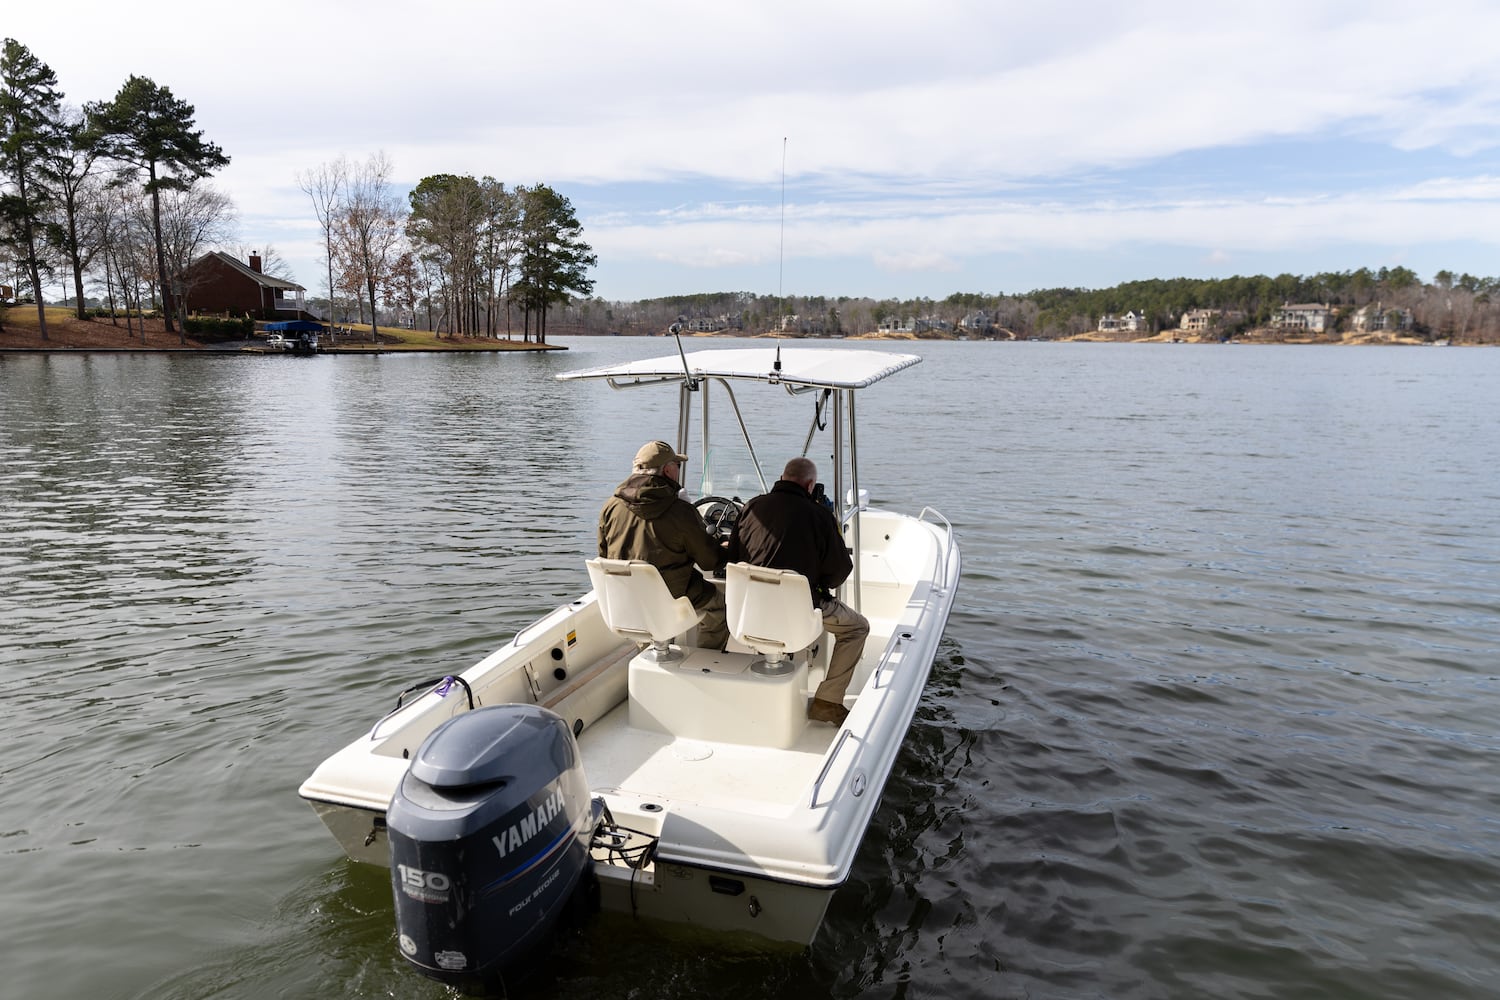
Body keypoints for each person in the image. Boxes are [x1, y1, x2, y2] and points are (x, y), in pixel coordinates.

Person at [728, 457, 870, 726]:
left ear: (781, 478)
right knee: (857, 628)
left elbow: (732, 558)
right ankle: (827, 703)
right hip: (797, 614)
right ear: (810, 485)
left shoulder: (752, 507)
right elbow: (839, 573)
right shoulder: (820, 517)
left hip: (747, 612)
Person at [598, 440, 728, 650]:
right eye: (677, 466)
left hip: (626, 600)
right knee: (718, 608)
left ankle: (650, 650)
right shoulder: (680, 512)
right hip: (670, 599)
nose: (678, 471)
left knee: (651, 604)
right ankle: (705, 666)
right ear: (667, 471)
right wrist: (722, 547)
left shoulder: (610, 506)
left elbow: (603, 555)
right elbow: (709, 562)